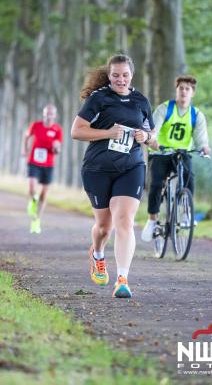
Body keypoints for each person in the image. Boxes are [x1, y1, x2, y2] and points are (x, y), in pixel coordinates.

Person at [71, 54, 155, 298]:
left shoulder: (141, 101)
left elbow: (153, 137)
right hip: (98, 169)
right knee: (104, 228)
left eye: (125, 75)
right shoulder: (99, 99)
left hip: (131, 167)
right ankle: (97, 255)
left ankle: (123, 279)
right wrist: (108, 133)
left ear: (132, 75)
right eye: (116, 75)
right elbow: (76, 131)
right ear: (109, 76)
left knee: (125, 222)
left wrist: (146, 138)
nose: (121, 79)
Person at [141, 75, 210, 242]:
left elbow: (201, 139)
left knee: (189, 178)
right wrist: (153, 140)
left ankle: (186, 212)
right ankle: (151, 220)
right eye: (181, 88)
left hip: (182, 153)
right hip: (161, 153)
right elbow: (153, 129)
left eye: (188, 89)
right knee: (156, 184)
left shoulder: (196, 115)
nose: (184, 92)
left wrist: (205, 148)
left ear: (192, 93)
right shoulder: (165, 109)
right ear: (176, 90)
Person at [22, 104, 63, 234]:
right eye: (46, 114)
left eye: (51, 114)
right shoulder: (36, 125)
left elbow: (58, 149)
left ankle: (36, 221)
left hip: (48, 164)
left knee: (44, 194)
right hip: (34, 161)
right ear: (43, 114)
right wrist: (24, 149)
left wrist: (56, 149)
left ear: (54, 116)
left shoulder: (57, 130)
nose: (48, 116)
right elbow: (26, 135)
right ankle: (32, 201)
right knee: (32, 188)